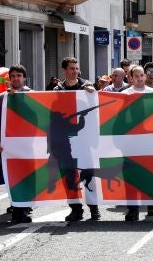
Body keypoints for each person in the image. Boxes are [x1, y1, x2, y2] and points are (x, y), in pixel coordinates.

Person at [53, 57, 100, 222]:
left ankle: (94, 208)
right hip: (65, 143)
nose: (75, 71)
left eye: (77, 68)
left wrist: (91, 92)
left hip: (85, 141)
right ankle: (75, 209)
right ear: (64, 70)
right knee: (69, 176)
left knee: (88, 174)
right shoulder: (56, 90)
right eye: (71, 68)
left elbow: (95, 110)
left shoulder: (86, 86)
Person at [0, 65, 33, 223]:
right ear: (10, 78)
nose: (16, 78)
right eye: (13, 76)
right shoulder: (3, 97)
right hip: (10, 144)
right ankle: (18, 209)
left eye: (19, 75)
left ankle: (25, 205)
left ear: (24, 78)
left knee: (28, 175)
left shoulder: (33, 95)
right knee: (14, 176)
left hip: (28, 143)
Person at [122, 66, 153, 221]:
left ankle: (151, 205)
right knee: (130, 176)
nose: (140, 78)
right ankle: (133, 209)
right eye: (136, 76)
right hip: (130, 143)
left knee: (151, 175)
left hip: (150, 143)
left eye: (142, 75)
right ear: (130, 78)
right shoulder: (124, 95)